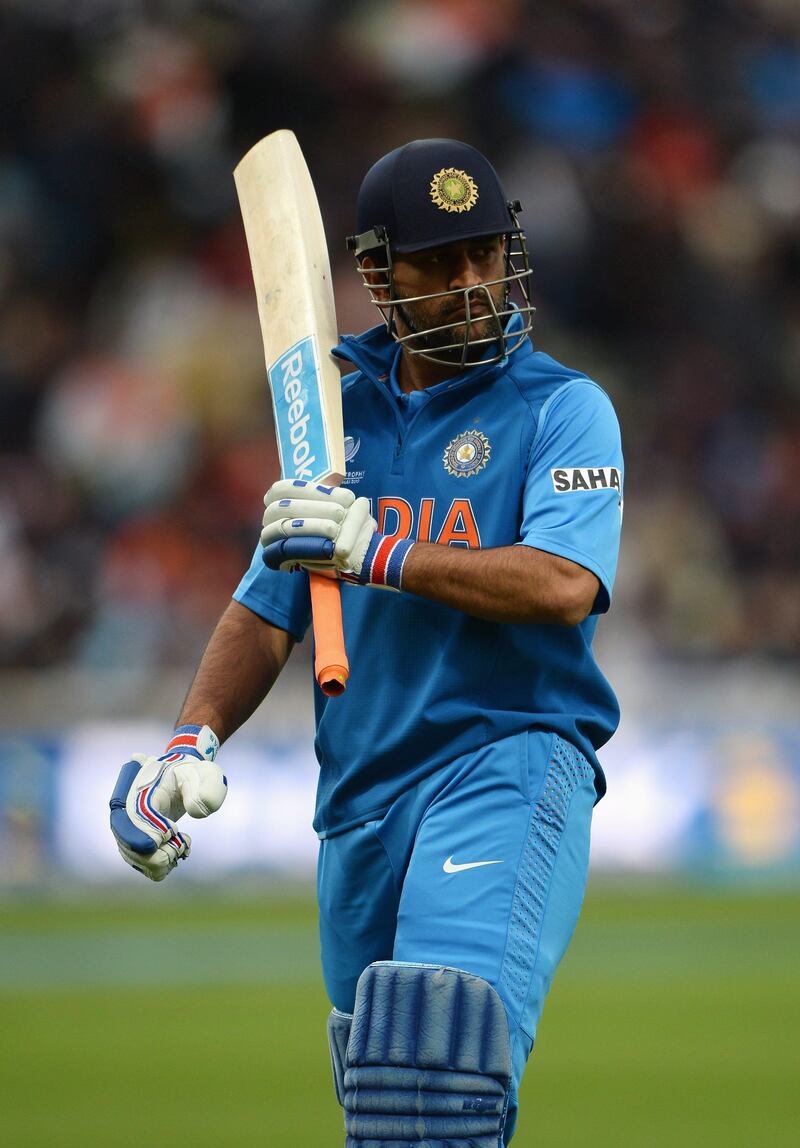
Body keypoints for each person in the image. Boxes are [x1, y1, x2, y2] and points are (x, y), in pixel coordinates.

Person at [109, 138, 624, 1146]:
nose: (472, 281)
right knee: (385, 1111)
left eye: (485, 252)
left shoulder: (563, 408)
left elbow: (563, 584)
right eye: (440, 261)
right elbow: (267, 606)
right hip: (356, 803)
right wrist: (190, 738)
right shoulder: (334, 416)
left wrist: (381, 549)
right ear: (379, 274)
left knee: (435, 1067)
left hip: (505, 759)